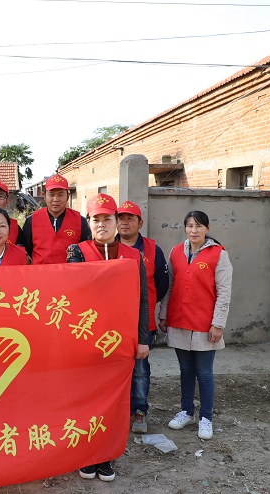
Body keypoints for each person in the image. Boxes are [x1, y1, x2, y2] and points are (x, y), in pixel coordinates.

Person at [67, 193, 149, 482]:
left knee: (114, 400)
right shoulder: (77, 251)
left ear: (116, 221)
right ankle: (87, 454)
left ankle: (106, 455)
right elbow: (72, 292)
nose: (101, 224)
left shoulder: (133, 256)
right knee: (86, 398)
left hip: (120, 341)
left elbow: (142, 299)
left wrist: (143, 339)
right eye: (96, 219)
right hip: (87, 338)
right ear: (88, 223)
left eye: (107, 219)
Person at [158, 210, 233, 440]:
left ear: (207, 229)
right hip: (179, 320)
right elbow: (169, 287)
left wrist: (218, 324)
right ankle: (187, 411)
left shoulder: (218, 254)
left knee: (204, 373)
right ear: (185, 228)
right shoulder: (175, 253)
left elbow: (224, 292)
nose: (194, 230)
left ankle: (206, 418)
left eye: (199, 226)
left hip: (205, 324)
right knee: (186, 370)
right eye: (190, 226)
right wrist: (163, 314)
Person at [116, 200, 169, 434]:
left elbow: (162, 284)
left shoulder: (153, 250)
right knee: (114, 369)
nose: (124, 222)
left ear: (140, 223)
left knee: (140, 369)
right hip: (113, 321)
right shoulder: (108, 247)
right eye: (120, 218)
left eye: (130, 218)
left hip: (141, 322)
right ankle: (117, 411)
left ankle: (139, 410)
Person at [22, 174, 91, 264]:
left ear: (68, 196)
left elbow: (86, 252)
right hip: (40, 272)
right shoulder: (31, 221)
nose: (55, 199)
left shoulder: (80, 221)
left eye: (60, 195)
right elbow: (27, 251)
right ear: (44, 196)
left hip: (70, 272)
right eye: (51, 194)